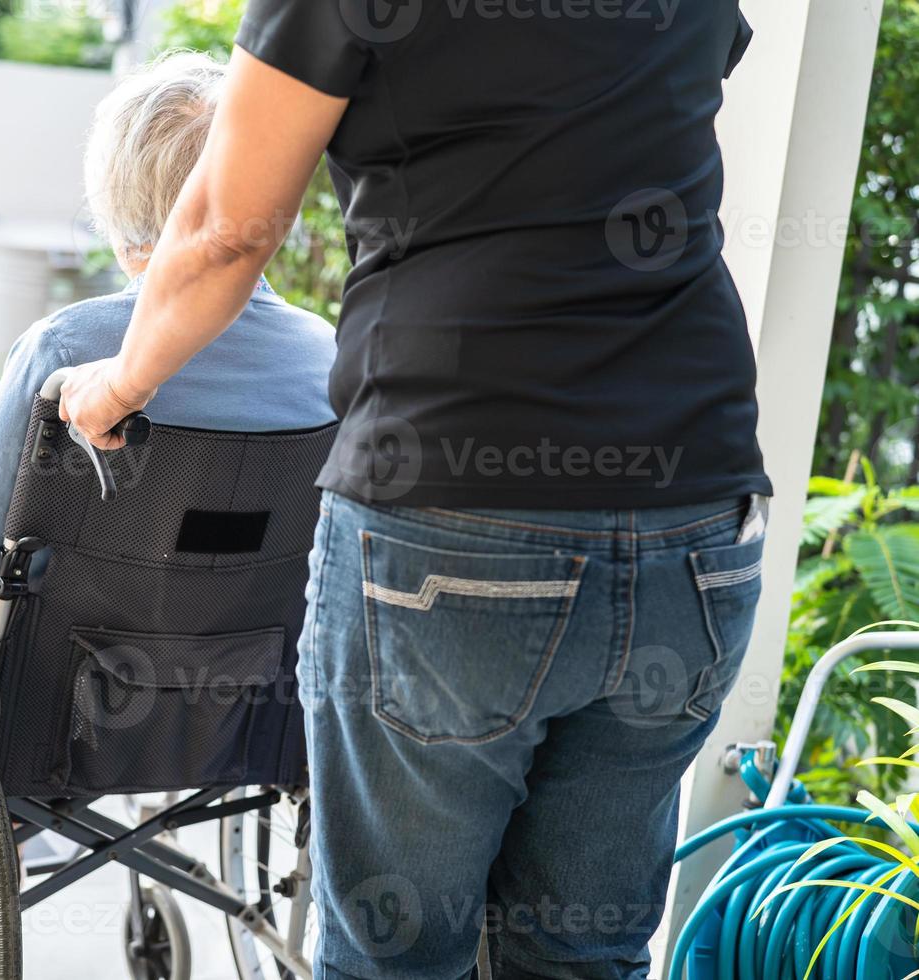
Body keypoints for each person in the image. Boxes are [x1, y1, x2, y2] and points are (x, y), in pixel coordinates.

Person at [58, 3, 771, 978]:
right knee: (582, 953)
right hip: (697, 503)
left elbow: (228, 223)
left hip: (456, 497)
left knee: (394, 956)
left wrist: (120, 382)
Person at [0, 50, 336, 585]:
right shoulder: (327, 355)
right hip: (255, 655)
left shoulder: (69, 348)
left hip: (58, 660)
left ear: (117, 198)